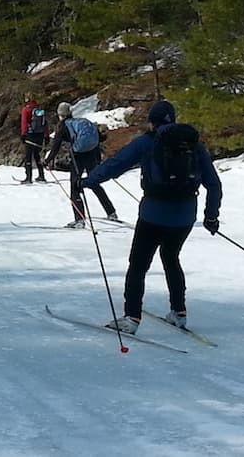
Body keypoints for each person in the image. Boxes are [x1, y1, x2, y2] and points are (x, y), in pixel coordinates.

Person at [81, 100, 223, 334]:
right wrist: (211, 217)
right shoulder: (194, 145)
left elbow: (116, 164)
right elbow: (214, 184)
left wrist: (89, 180)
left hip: (153, 215)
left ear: (152, 122)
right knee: (171, 257)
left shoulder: (147, 142)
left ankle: (131, 317)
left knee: (138, 265)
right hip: (185, 216)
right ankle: (179, 312)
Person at [43, 102, 119, 227]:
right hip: (91, 154)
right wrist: (97, 160)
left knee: (75, 187)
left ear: (60, 114)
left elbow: (55, 147)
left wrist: (46, 161)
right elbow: (97, 140)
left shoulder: (63, 126)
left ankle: (79, 219)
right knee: (94, 182)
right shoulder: (81, 122)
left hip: (78, 156)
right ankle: (111, 212)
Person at [20, 93, 48, 183]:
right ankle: (41, 175)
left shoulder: (26, 109)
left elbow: (24, 122)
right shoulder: (39, 109)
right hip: (40, 135)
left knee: (28, 156)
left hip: (30, 135)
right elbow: (45, 123)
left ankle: (28, 177)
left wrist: (23, 134)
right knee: (37, 155)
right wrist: (46, 135)